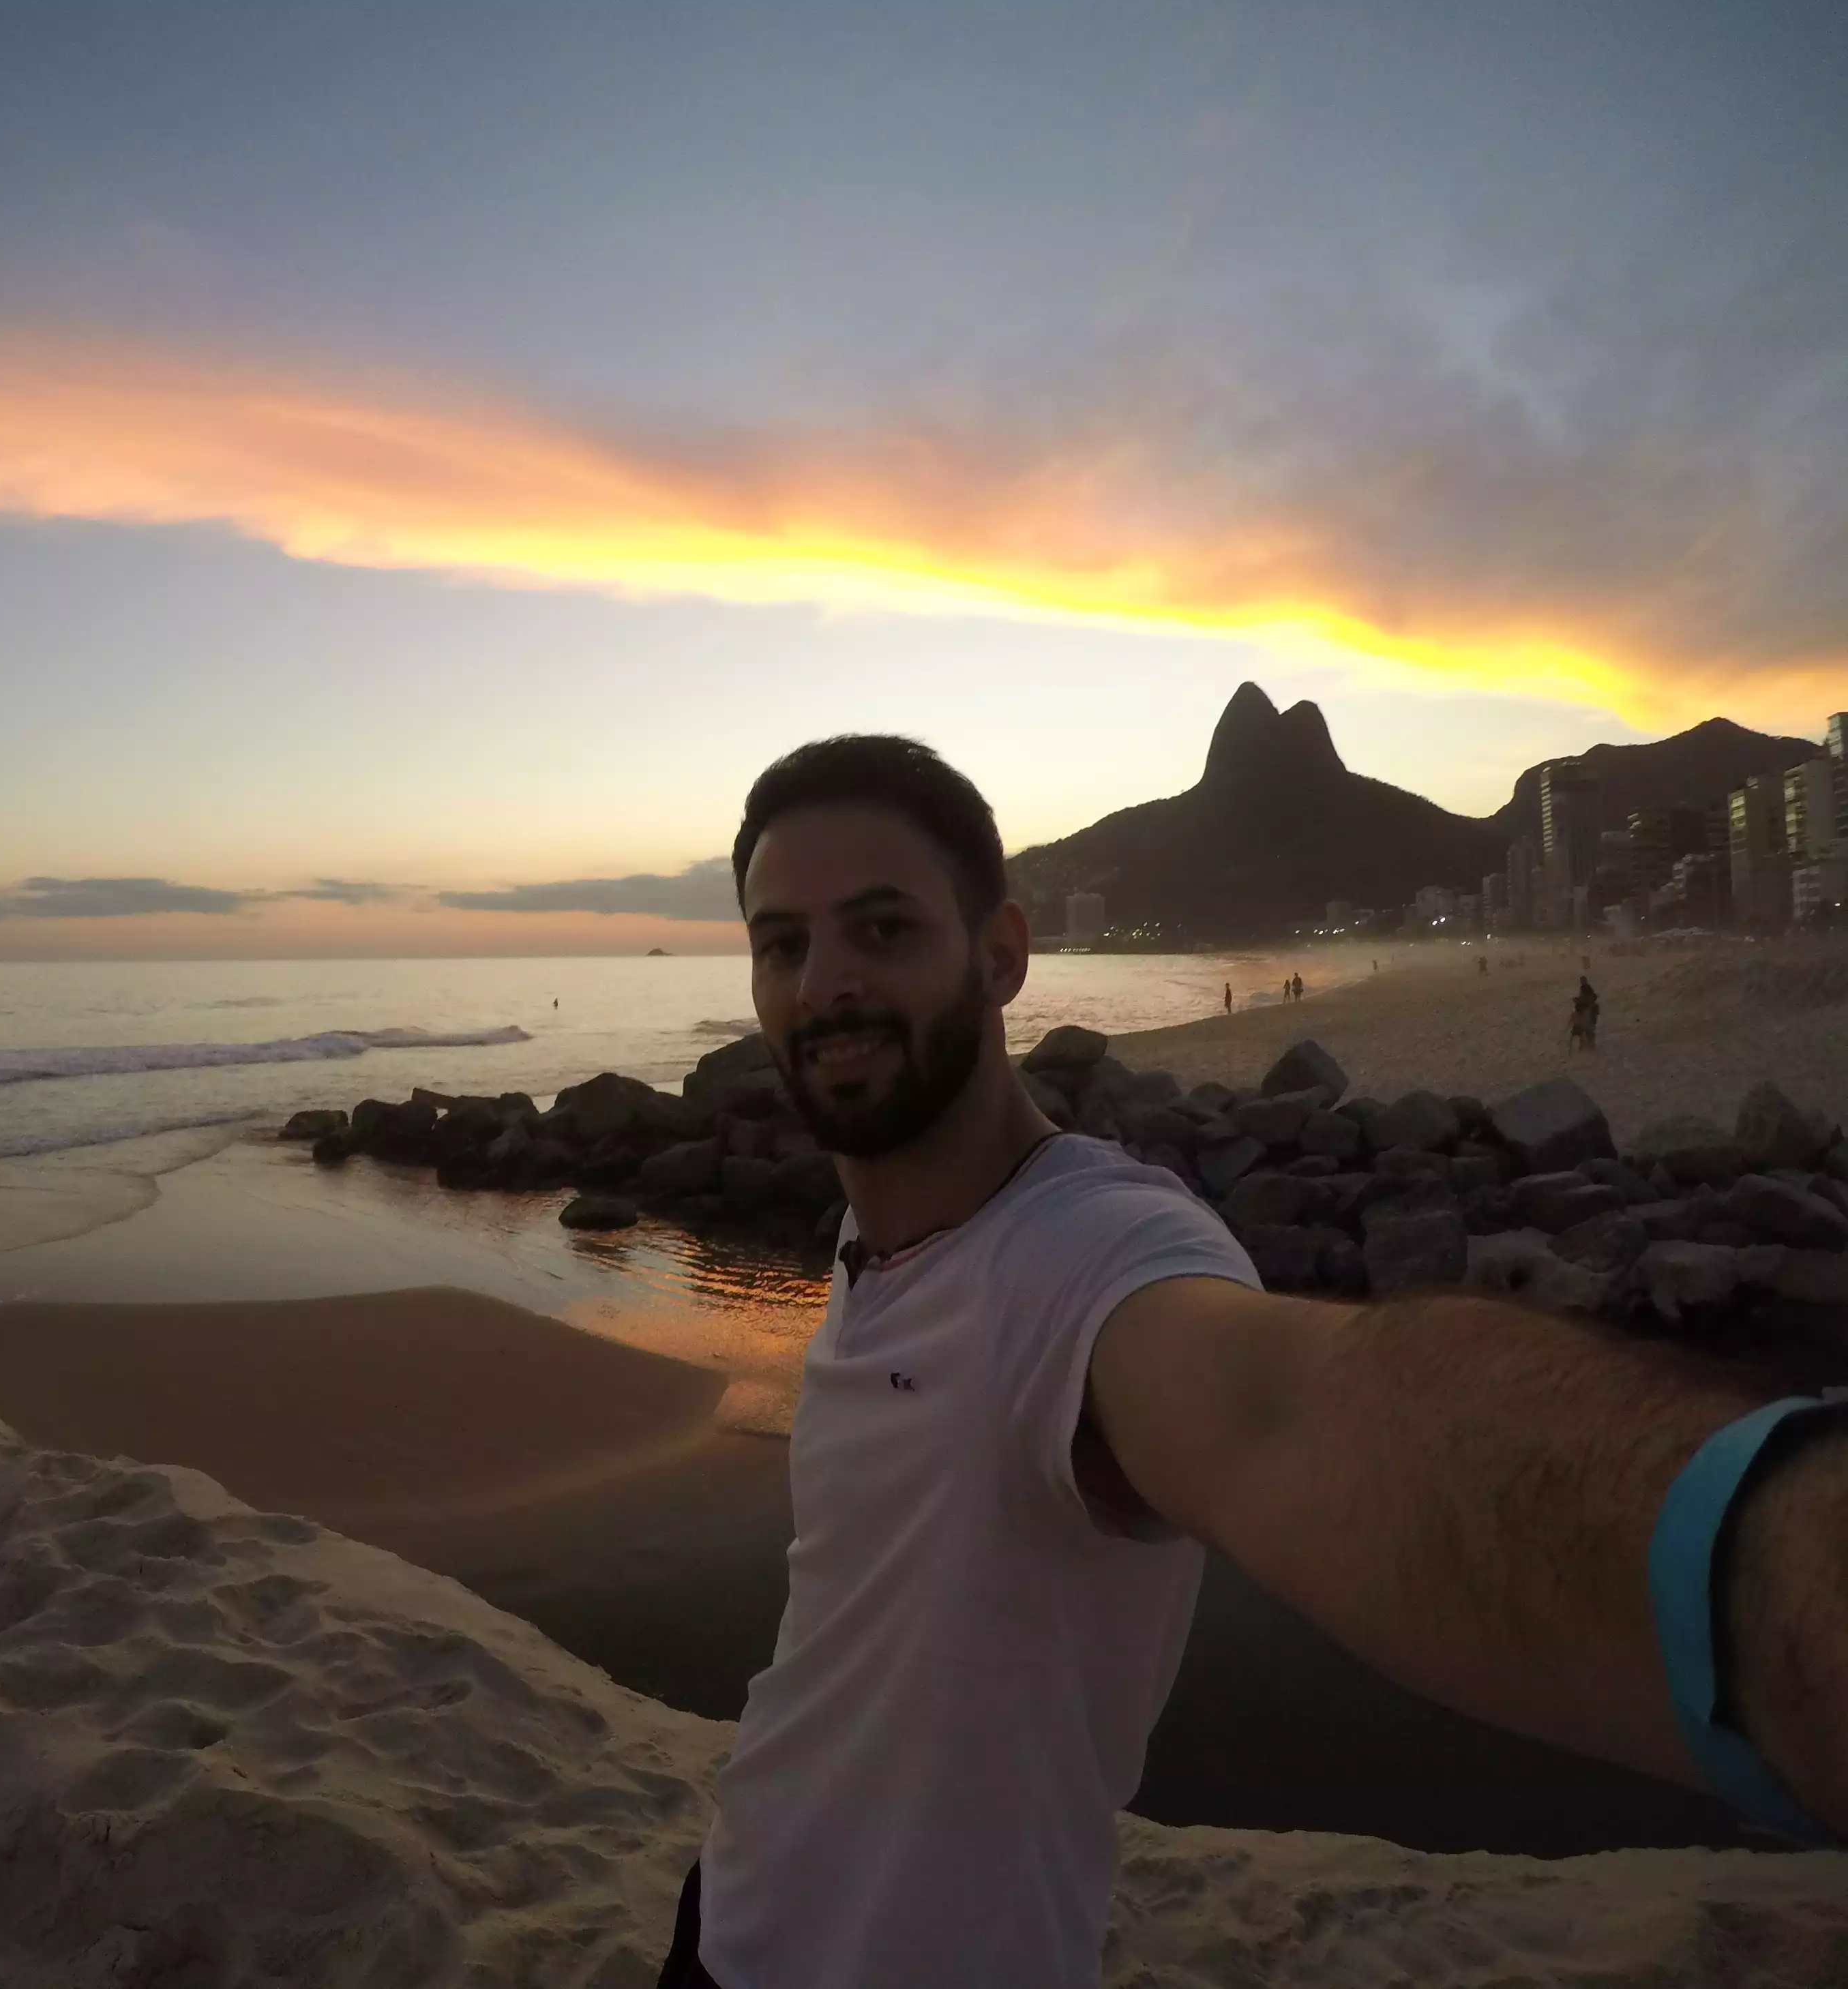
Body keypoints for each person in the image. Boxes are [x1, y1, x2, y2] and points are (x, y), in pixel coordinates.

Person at [661, 734, 1845, 1989]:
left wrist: (1789, 1578)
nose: (824, 983)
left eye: (882, 931)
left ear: (1001, 954)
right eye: (782, 945)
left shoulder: (1087, 1257)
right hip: (730, 1908)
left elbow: (1290, 1411)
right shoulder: (878, 1232)